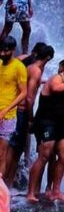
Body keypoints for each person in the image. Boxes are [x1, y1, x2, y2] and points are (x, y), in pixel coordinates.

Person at [26, 58, 64, 202]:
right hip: (46, 123)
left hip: (60, 124)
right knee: (44, 156)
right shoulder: (55, 79)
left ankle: (56, 190)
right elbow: (56, 89)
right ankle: (30, 193)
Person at [4, 43, 54, 187]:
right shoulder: (36, 70)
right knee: (15, 149)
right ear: (48, 58)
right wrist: (31, 118)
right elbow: (29, 98)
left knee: (14, 147)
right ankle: (6, 183)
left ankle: (8, 183)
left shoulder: (25, 64)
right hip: (22, 112)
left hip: (14, 109)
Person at [0, 39, 26, 179]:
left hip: (8, 116)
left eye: (5, 51)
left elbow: (24, 92)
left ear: (13, 50)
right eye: (1, 50)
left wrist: (6, 110)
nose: (2, 53)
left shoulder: (18, 67)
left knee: (1, 153)